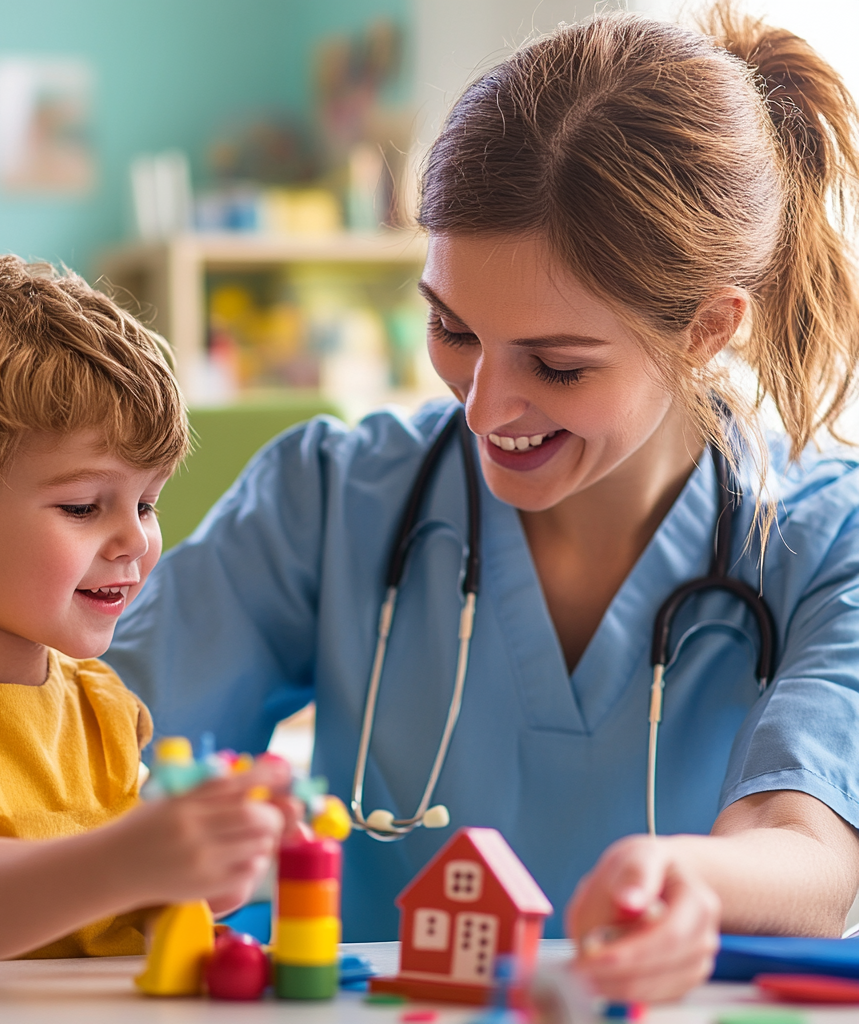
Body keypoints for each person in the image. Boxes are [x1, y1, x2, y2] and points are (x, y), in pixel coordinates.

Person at [107, 3, 859, 1002]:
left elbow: (804, 841)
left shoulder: (824, 537)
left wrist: (693, 882)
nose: (484, 405)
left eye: (555, 364)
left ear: (704, 328)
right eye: (452, 328)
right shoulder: (332, 495)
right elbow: (87, 737)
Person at [0, 253, 297, 967]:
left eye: (147, 503)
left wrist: (219, 852)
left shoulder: (103, 708)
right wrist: (138, 854)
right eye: (84, 506)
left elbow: (119, 902)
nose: (136, 541)